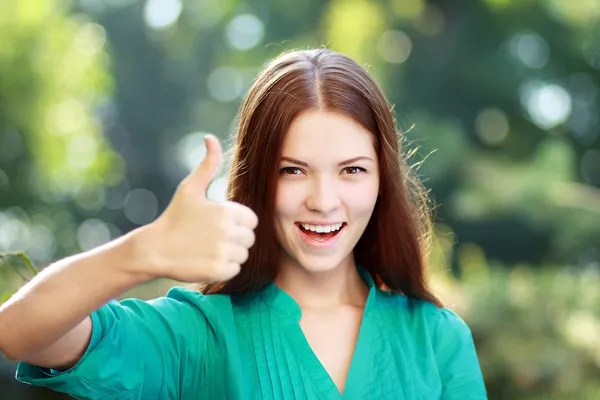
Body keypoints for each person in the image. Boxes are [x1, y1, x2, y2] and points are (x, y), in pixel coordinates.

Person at [0, 48, 487, 399]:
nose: (323, 200)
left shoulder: (438, 340)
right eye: (292, 170)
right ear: (257, 179)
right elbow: (18, 333)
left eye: (352, 170)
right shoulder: (200, 336)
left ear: (383, 180)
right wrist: (142, 252)